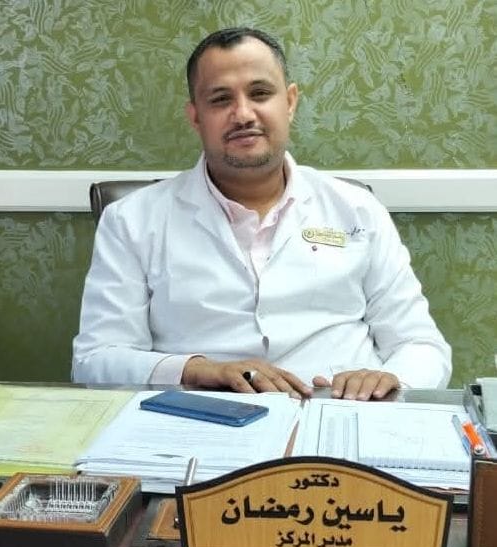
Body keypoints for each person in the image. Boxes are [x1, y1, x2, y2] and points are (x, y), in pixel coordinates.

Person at [72, 27, 451, 400]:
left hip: (343, 413)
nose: (242, 114)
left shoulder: (357, 208)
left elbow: (422, 344)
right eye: (221, 99)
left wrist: (388, 380)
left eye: (260, 93)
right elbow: (95, 360)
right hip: (203, 416)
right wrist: (196, 369)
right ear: (195, 117)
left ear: (290, 102)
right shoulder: (131, 220)